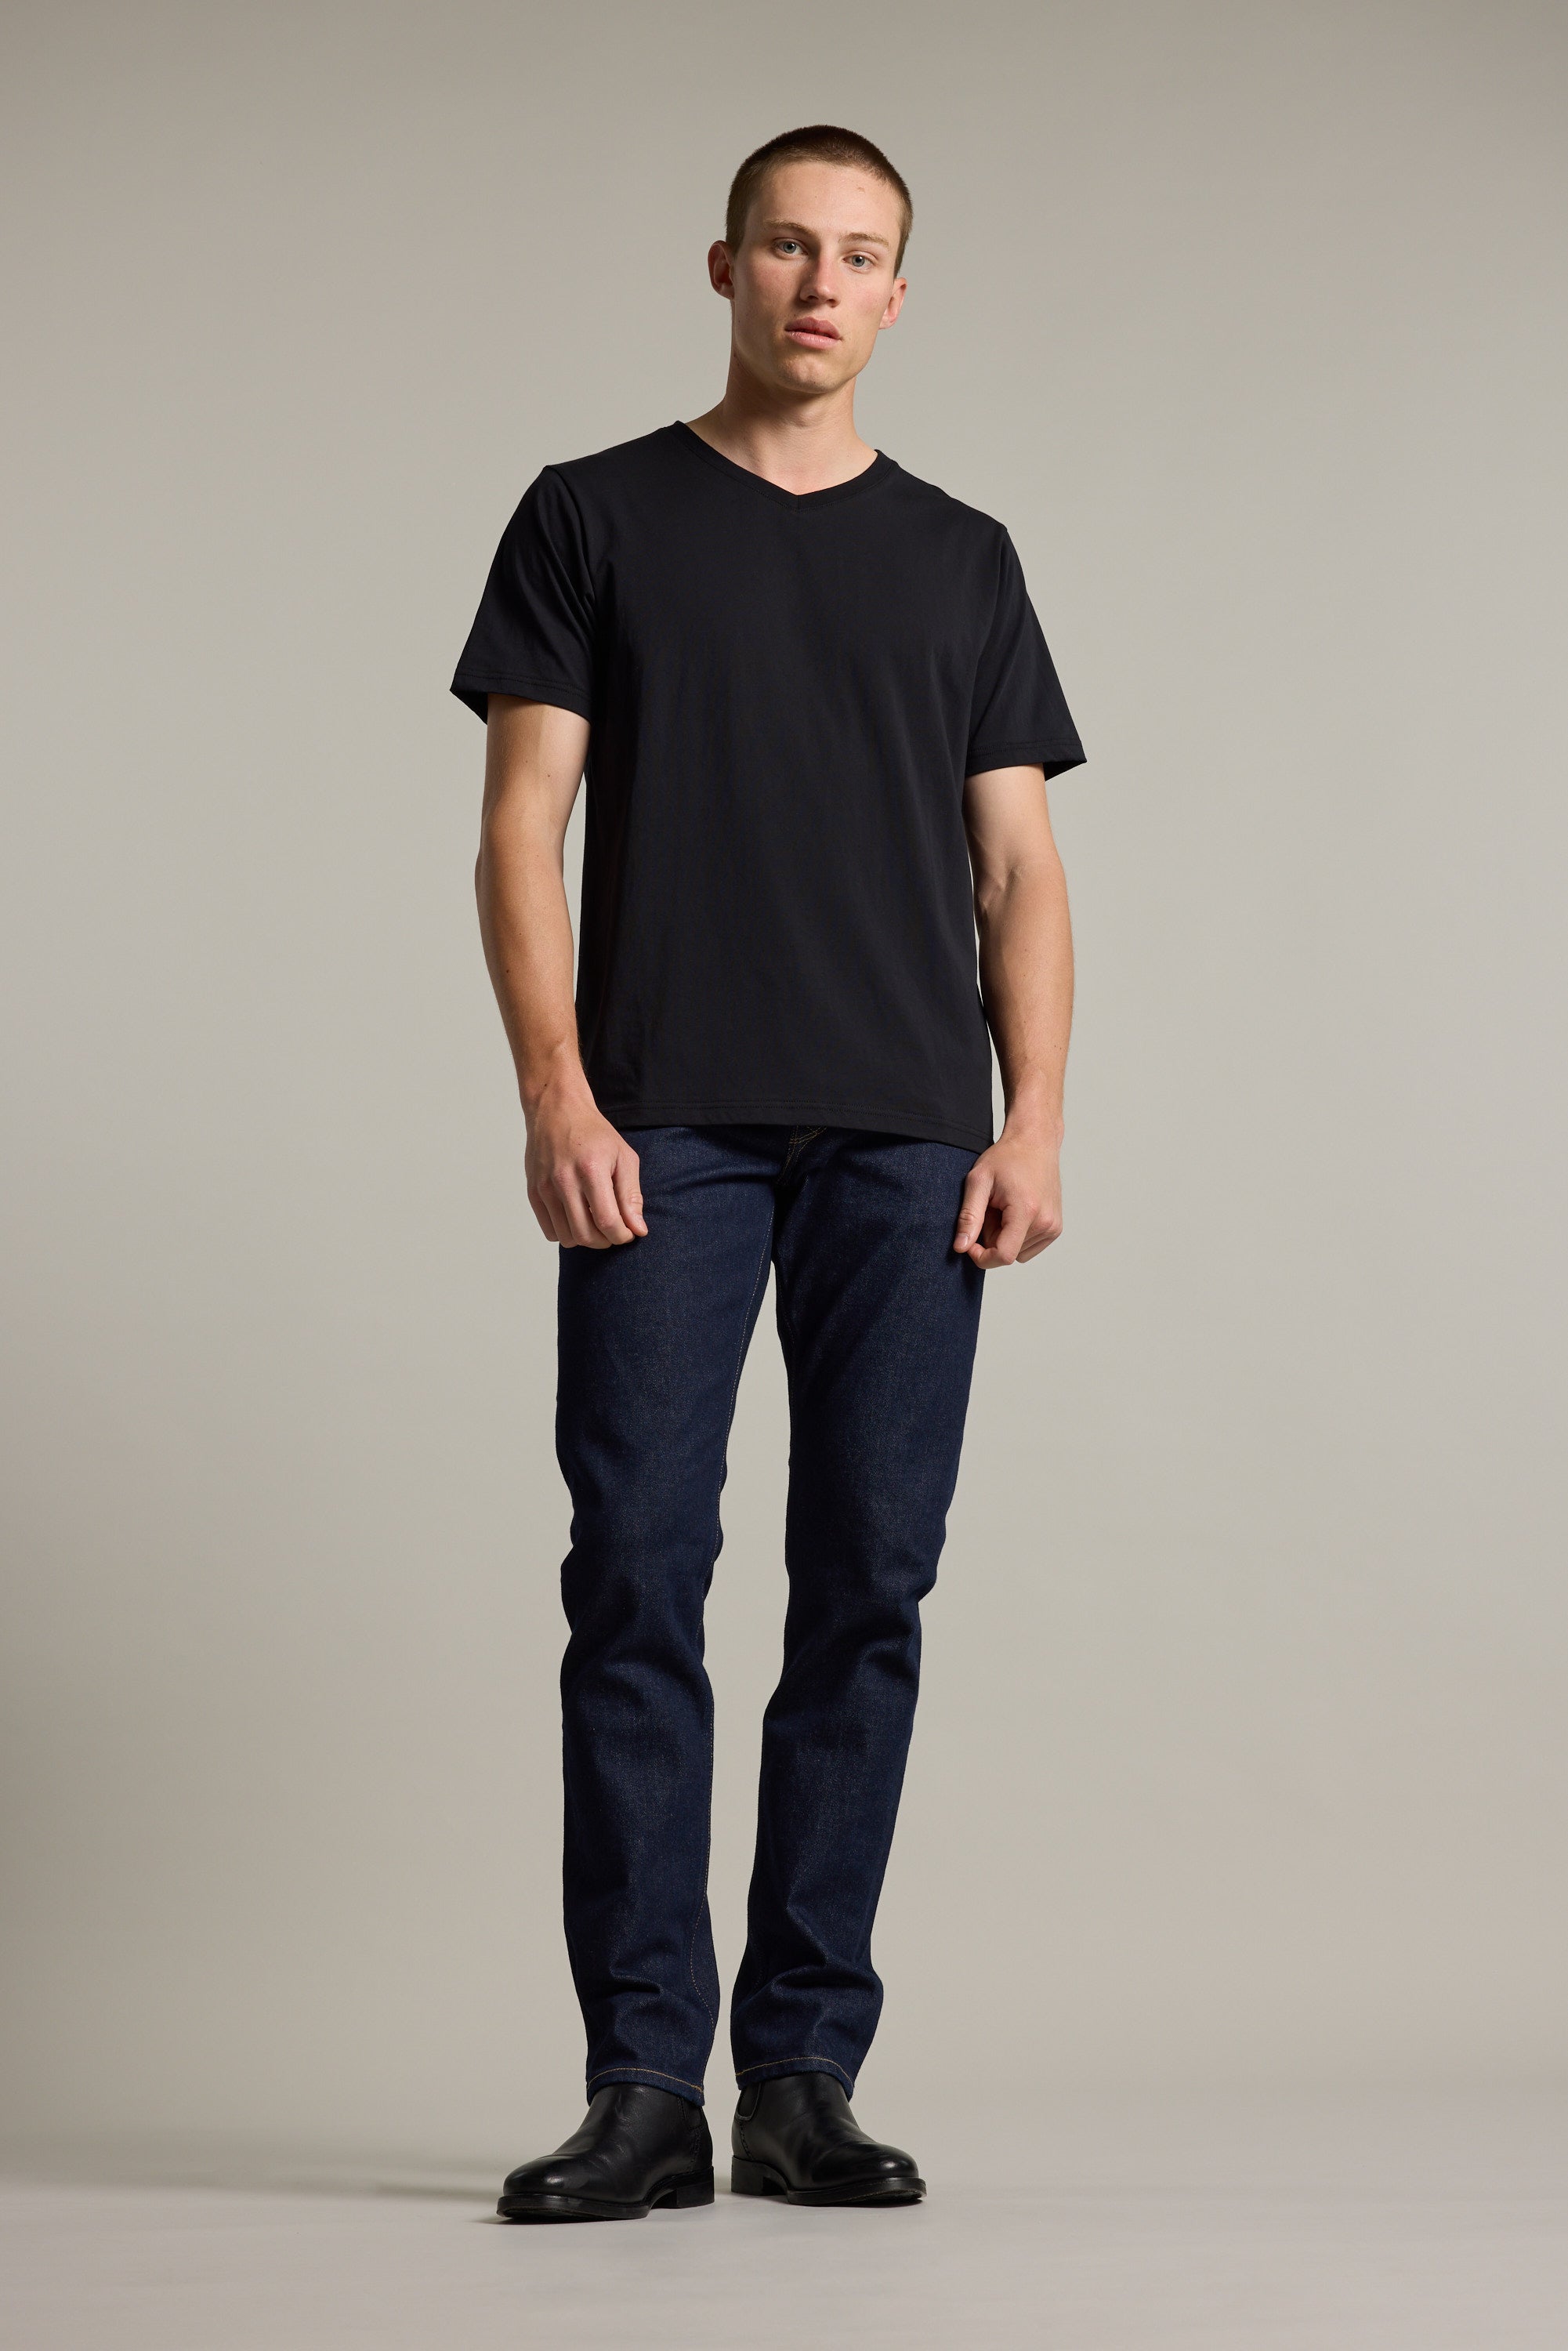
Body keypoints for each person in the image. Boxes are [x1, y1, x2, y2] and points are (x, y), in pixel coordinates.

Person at [451, 123, 1084, 2222]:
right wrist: (557, 1094)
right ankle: (644, 2085)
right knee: (636, 1574)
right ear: (722, 266)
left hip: (906, 1137)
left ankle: (802, 2073)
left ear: (900, 293)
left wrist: (1033, 1116)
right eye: (789, 246)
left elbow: (1019, 866)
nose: (823, 283)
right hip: (667, 1128)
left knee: (866, 1587)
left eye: (861, 254)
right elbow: (519, 828)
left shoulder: (962, 556)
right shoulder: (592, 515)